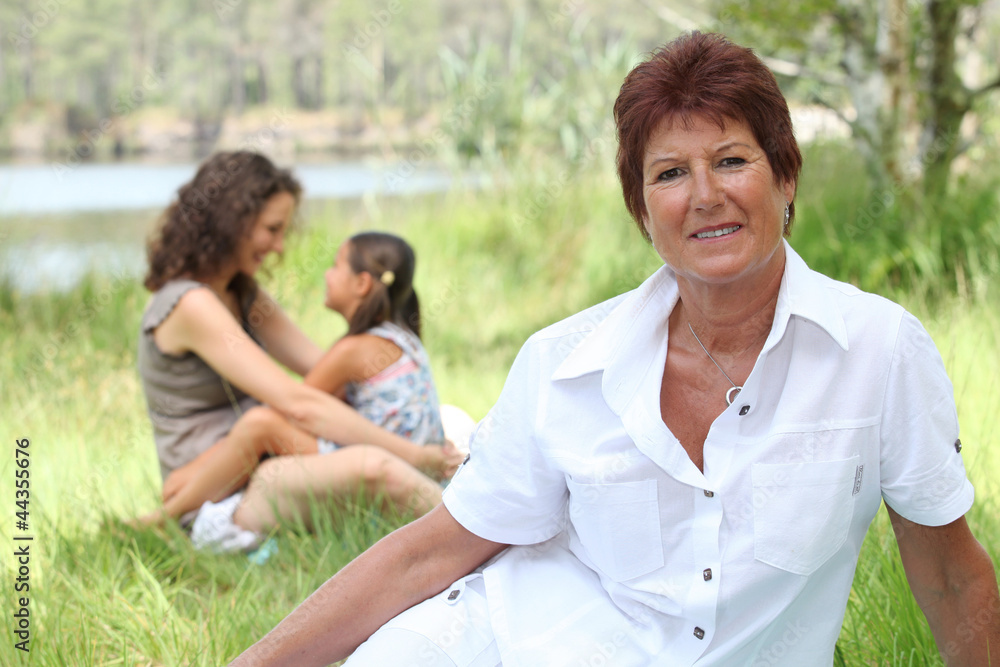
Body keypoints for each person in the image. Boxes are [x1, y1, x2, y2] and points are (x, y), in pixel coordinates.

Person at [231, 33, 999, 665]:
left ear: (786, 175)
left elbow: (948, 574)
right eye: (670, 173)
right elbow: (430, 554)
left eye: (732, 160)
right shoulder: (564, 362)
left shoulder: (880, 351)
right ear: (642, 210)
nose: (704, 195)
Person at [137, 151, 462, 551]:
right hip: (214, 487)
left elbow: (320, 370)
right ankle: (474, 533)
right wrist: (412, 452)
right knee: (377, 465)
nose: (278, 246)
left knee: (450, 421)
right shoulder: (191, 304)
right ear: (231, 221)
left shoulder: (244, 294)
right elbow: (297, 401)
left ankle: (458, 512)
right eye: (272, 229)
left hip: (266, 457)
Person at [142, 230, 446, 526]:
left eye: (335, 266)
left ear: (362, 283)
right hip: (406, 449)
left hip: (392, 455)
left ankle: (168, 516)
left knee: (261, 424)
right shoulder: (399, 338)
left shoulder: (353, 350)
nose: (326, 275)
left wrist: (192, 471)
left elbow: (295, 408)